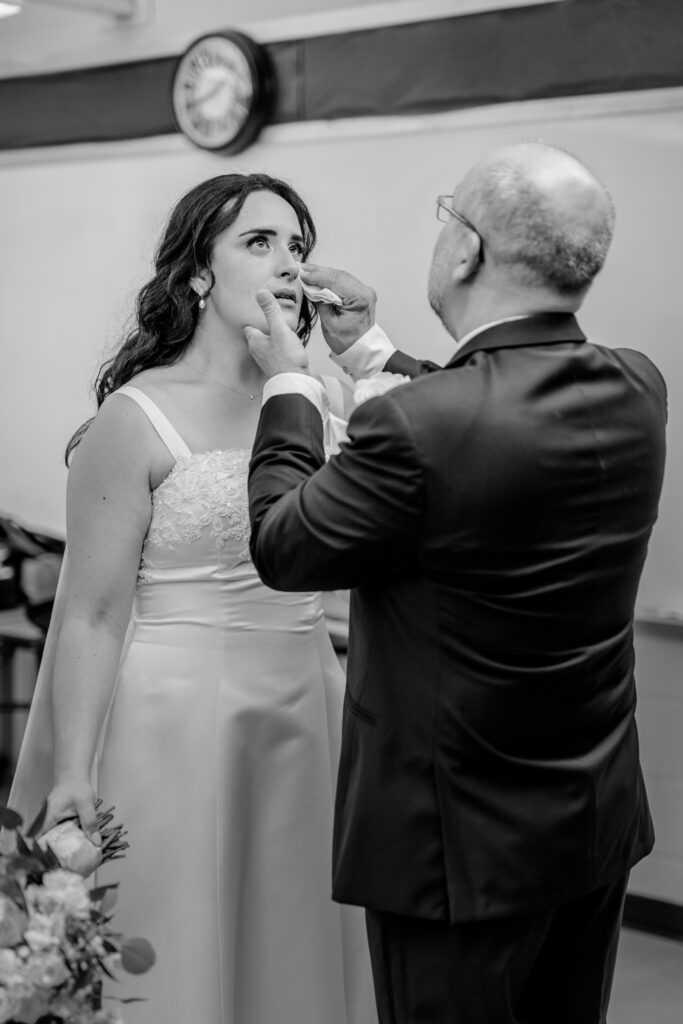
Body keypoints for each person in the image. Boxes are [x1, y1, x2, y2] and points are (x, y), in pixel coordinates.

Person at [245, 141, 667, 1024]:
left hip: (454, 852)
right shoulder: (636, 386)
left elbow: (285, 548)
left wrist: (288, 380)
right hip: (590, 827)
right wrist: (369, 352)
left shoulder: (416, 428)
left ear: (467, 249)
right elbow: (483, 423)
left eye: (446, 215)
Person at [8, 173, 378, 1024]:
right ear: (198, 275)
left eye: (298, 247)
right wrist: (72, 768)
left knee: (295, 938)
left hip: (306, 705)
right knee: (179, 940)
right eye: (259, 242)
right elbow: (93, 614)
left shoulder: (317, 411)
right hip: (175, 719)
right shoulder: (135, 419)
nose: (288, 264)